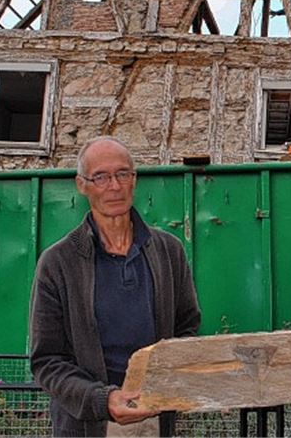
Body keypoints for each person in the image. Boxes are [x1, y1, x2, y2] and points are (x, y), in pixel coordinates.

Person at [29, 136, 201, 437]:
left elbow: (187, 328)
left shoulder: (168, 251)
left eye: (123, 173)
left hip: (153, 416)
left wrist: (168, 385)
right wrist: (102, 400)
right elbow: (47, 361)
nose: (115, 186)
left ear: (134, 179)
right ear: (82, 185)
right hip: (86, 424)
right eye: (101, 177)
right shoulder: (58, 262)